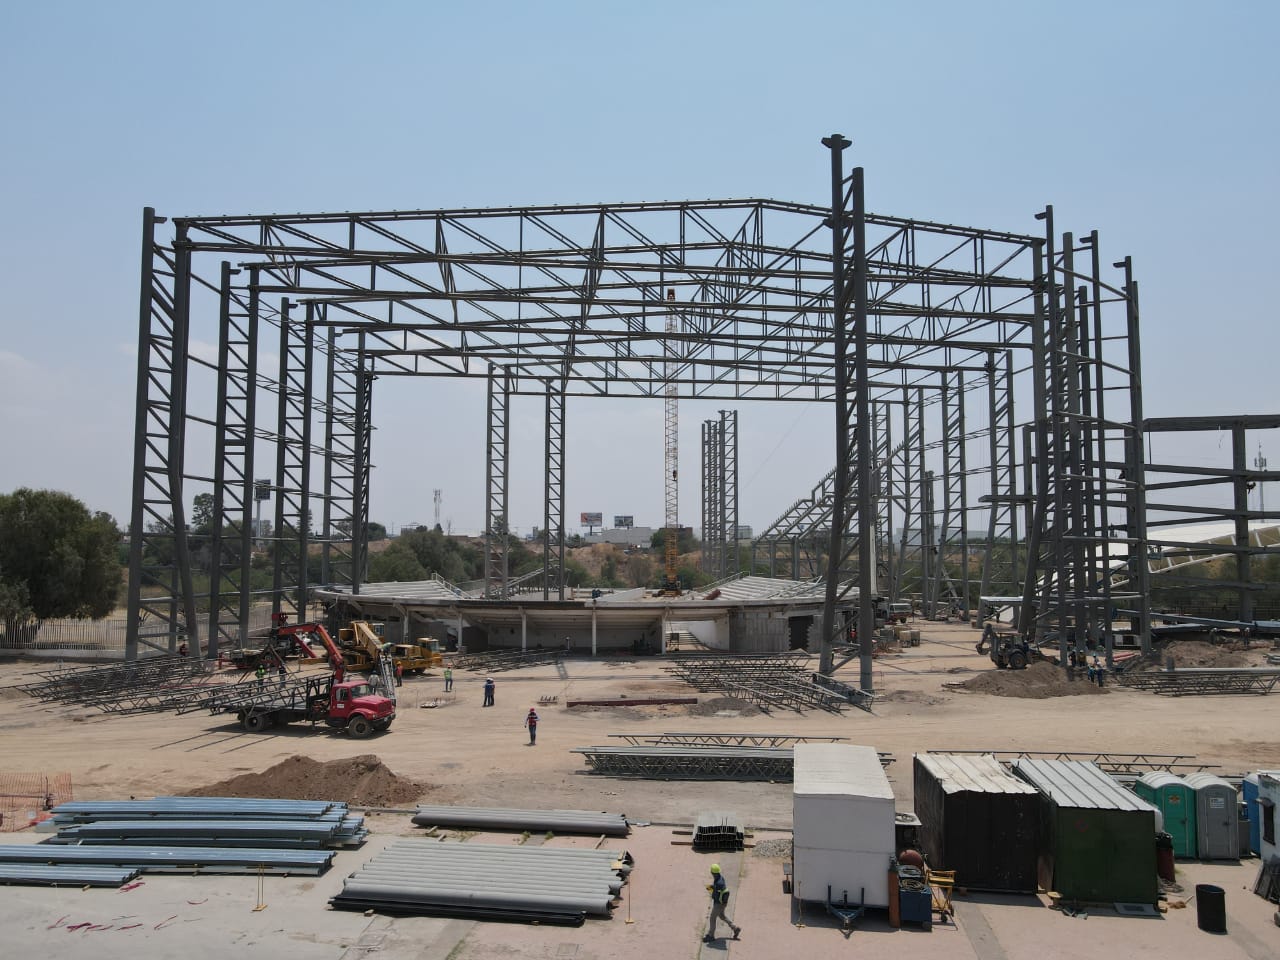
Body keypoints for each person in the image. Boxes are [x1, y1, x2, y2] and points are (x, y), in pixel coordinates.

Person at [704, 863, 741, 942]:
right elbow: (719, 889)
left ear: (712, 873)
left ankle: (711, 936)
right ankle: (735, 928)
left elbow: (715, 895)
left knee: (712, 918)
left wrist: (711, 890)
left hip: (718, 904)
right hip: (723, 903)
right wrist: (713, 887)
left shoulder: (718, 883)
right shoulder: (721, 878)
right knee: (721, 916)